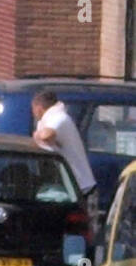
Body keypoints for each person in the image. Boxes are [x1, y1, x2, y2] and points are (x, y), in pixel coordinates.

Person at [32, 89, 98, 232]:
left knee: (82, 234)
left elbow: (46, 135)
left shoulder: (58, 118)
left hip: (82, 188)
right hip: (72, 187)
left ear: (39, 108)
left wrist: (35, 135)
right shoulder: (50, 119)